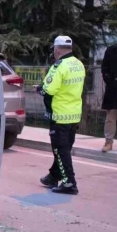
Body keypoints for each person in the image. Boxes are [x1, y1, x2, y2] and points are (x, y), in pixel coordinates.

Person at [36, 36, 86, 195]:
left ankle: (69, 183)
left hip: (60, 114)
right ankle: (53, 176)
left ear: (57, 49)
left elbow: (49, 90)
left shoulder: (59, 67)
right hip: (74, 114)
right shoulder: (79, 64)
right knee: (64, 148)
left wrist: (39, 88)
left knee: (60, 150)